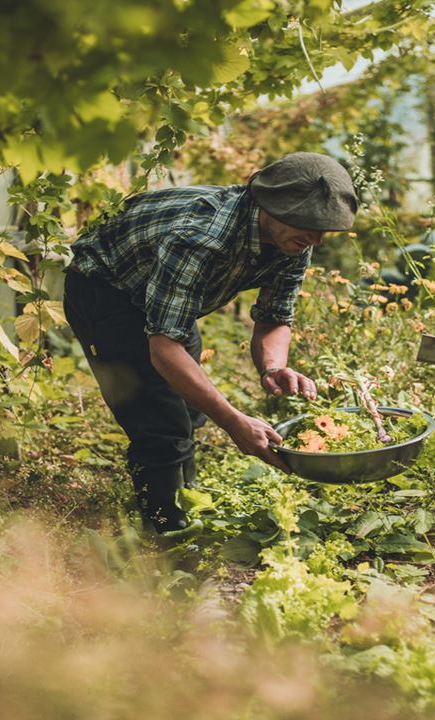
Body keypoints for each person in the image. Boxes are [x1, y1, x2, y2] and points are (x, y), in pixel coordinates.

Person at [63, 152, 358, 534]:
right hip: (106, 289)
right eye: (307, 225)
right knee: (160, 422)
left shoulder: (295, 239)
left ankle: (185, 498)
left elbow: (274, 318)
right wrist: (234, 422)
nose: (314, 239)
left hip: (163, 297)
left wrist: (274, 366)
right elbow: (164, 347)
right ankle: (168, 534)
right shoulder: (200, 237)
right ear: (266, 205)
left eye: (323, 229)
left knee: (190, 408)